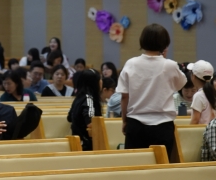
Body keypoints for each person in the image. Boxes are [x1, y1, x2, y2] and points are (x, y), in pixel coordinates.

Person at [117, 23, 187, 155]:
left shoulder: (131, 63)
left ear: (142, 41)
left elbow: (124, 96)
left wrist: (125, 120)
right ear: (165, 44)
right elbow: (180, 85)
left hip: (135, 124)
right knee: (161, 165)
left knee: (135, 164)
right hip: (162, 126)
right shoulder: (170, 65)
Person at [68, 68, 103, 150]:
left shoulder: (79, 98)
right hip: (86, 145)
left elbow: (69, 117)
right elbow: (91, 123)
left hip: (78, 142)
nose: (101, 82)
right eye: (100, 79)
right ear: (94, 83)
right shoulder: (88, 99)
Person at [188, 60, 215, 125]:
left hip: (203, 131)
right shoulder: (213, 92)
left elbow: (195, 120)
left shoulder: (199, 95)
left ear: (193, 76)